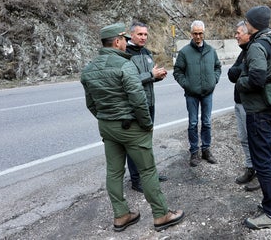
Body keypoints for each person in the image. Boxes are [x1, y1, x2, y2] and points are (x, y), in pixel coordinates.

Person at [80, 22, 184, 232]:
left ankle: (121, 215)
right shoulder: (124, 66)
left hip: (107, 128)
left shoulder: (88, 70)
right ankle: (161, 214)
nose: (126, 43)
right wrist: (146, 124)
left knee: (114, 172)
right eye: (124, 40)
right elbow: (138, 99)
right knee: (147, 170)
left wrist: (106, 119)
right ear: (117, 42)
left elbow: (91, 104)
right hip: (130, 127)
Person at [235, 6, 271, 230]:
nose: (245, 24)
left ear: (253, 24)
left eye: (247, 21)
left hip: (259, 111)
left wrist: (241, 82)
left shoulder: (257, 46)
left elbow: (256, 78)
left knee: (263, 161)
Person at [125, 21, 168, 191]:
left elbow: (147, 78)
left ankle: (149, 174)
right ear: (132, 35)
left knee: (147, 142)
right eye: (140, 34)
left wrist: (157, 76)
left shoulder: (146, 52)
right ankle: (136, 180)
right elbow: (128, 81)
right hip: (135, 106)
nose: (143, 37)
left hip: (149, 104)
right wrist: (151, 74)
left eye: (145, 34)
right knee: (134, 144)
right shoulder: (125, 54)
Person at [173, 20, 222, 167]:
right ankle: (194, 151)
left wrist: (214, 80)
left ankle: (206, 149)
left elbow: (218, 67)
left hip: (207, 93)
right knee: (193, 123)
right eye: (195, 33)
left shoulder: (211, 51)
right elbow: (177, 71)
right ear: (191, 34)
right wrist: (186, 84)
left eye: (200, 33)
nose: (198, 36)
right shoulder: (185, 52)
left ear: (204, 33)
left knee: (206, 122)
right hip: (191, 94)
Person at [227, 21, 260, 191]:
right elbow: (232, 73)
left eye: (238, 32)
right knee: (243, 139)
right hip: (239, 101)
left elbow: (240, 74)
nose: (236, 35)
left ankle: (261, 175)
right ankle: (250, 168)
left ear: (248, 34)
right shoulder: (243, 53)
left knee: (255, 140)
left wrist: (238, 71)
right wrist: (239, 71)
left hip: (249, 105)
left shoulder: (254, 51)